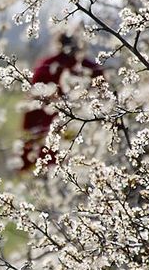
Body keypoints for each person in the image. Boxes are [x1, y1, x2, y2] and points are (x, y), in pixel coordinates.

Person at [20, 32, 103, 171]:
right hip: (87, 146)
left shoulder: (44, 67)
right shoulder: (92, 70)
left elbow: (31, 113)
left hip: (48, 146)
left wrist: (25, 156)